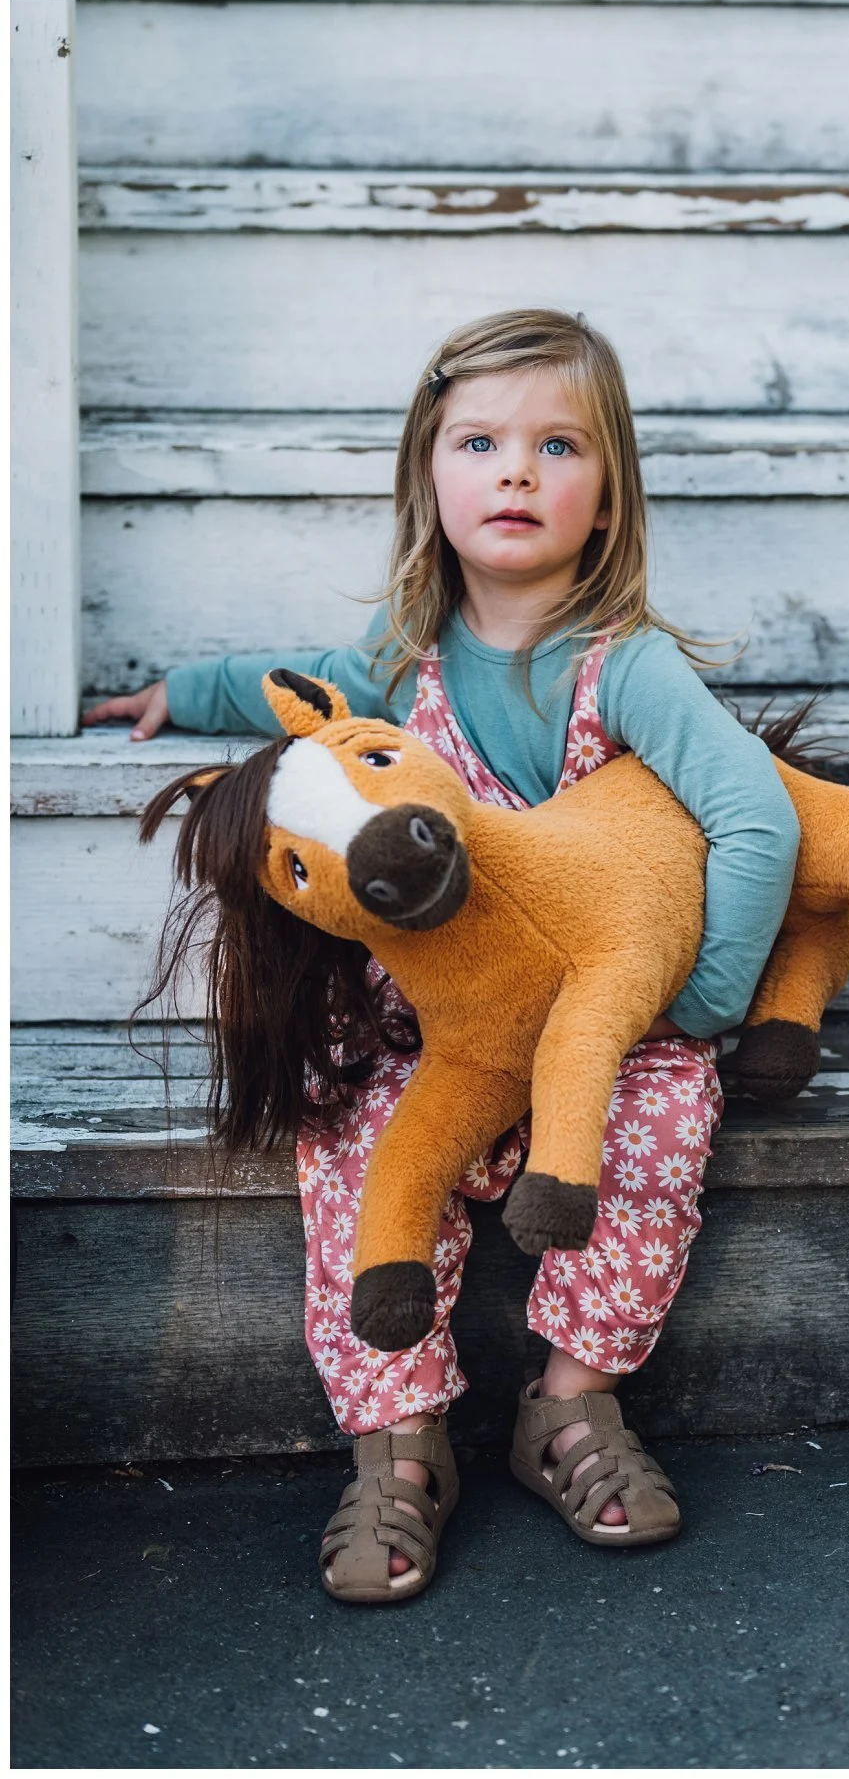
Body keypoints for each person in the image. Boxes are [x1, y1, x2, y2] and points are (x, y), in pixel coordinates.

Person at [87, 307, 800, 1602]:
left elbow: (757, 817)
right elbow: (291, 686)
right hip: (444, 1033)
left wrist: (701, 1003)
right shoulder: (398, 668)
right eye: (480, 442)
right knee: (350, 1126)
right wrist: (180, 692)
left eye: (558, 445)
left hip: (602, 1028)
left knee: (663, 1119)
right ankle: (398, 1434)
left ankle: (572, 1402)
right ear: (429, 474)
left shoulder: (627, 669)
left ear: (608, 498)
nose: (516, 471)